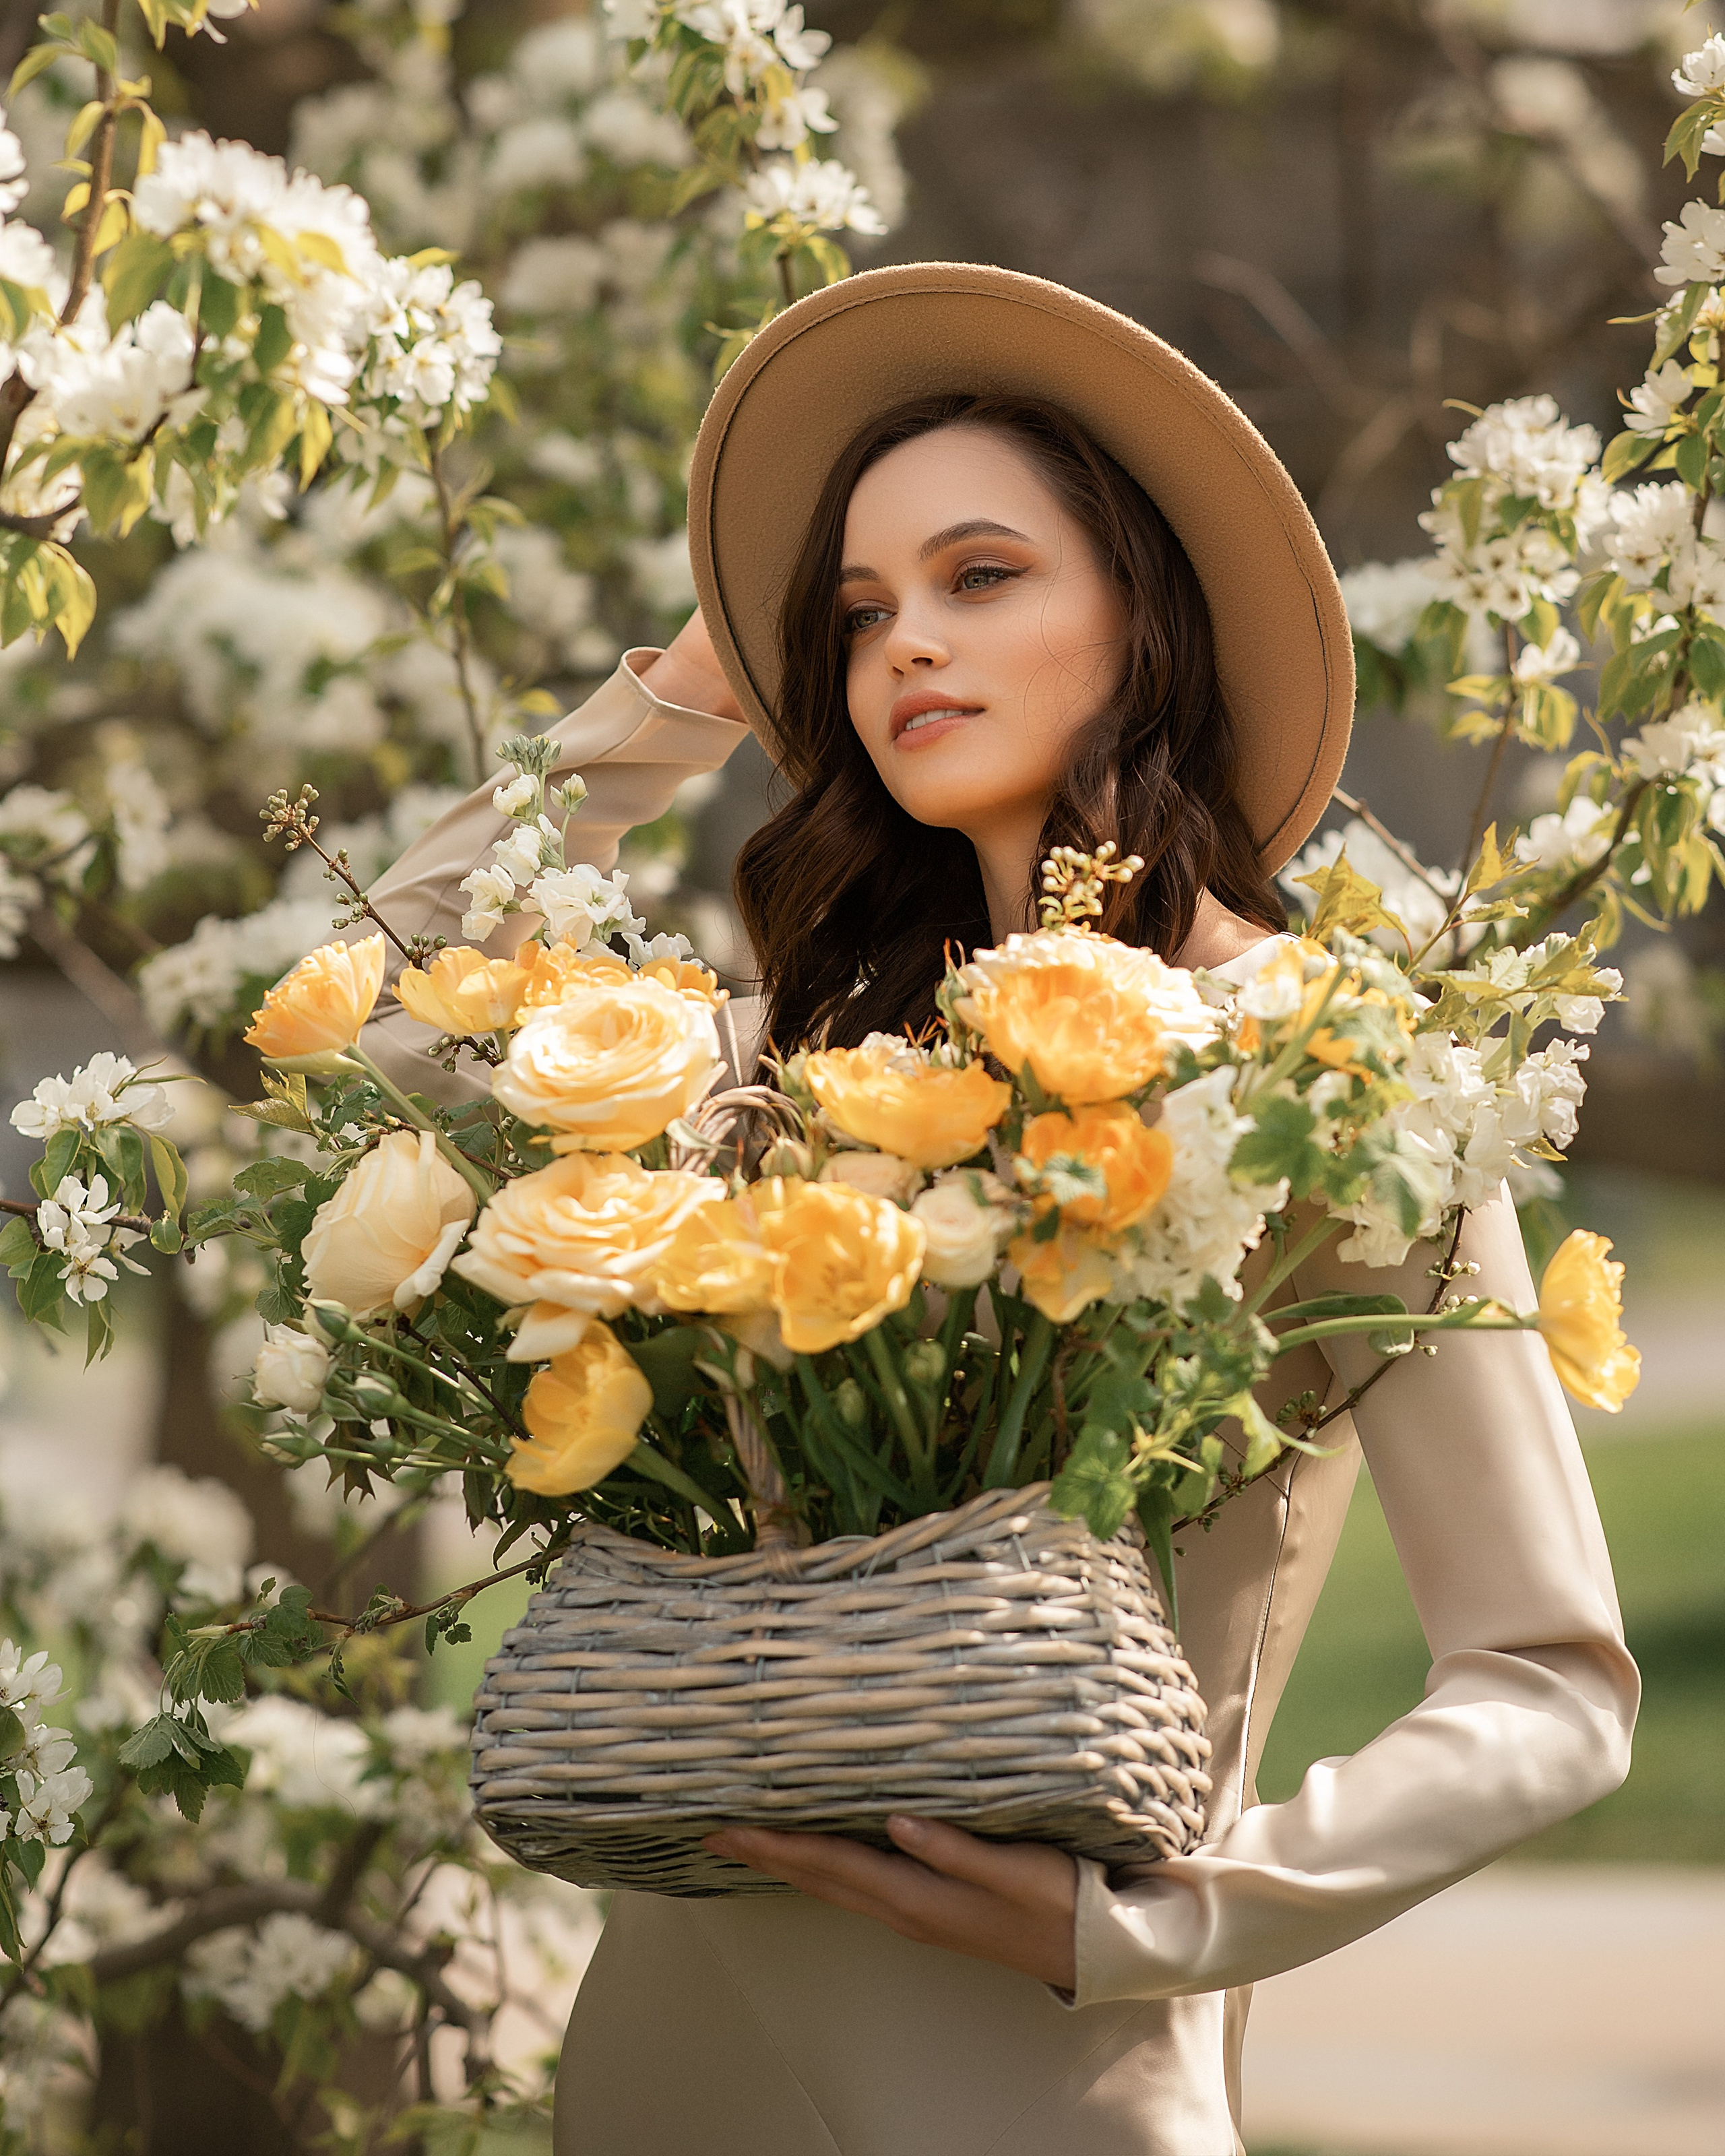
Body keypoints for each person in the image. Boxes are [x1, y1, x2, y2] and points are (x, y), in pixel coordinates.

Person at [360, 267, 1637, 2156]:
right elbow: (397, 1016)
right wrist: (694, 684)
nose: (898, 650)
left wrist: (1161, 1926)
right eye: (857, 610)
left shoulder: (1329, 1075)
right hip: (678, 2040)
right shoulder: (791, 1057)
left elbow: (1556, 1688)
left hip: (1031, 2062)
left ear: (1146, 613)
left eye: (980, 578)